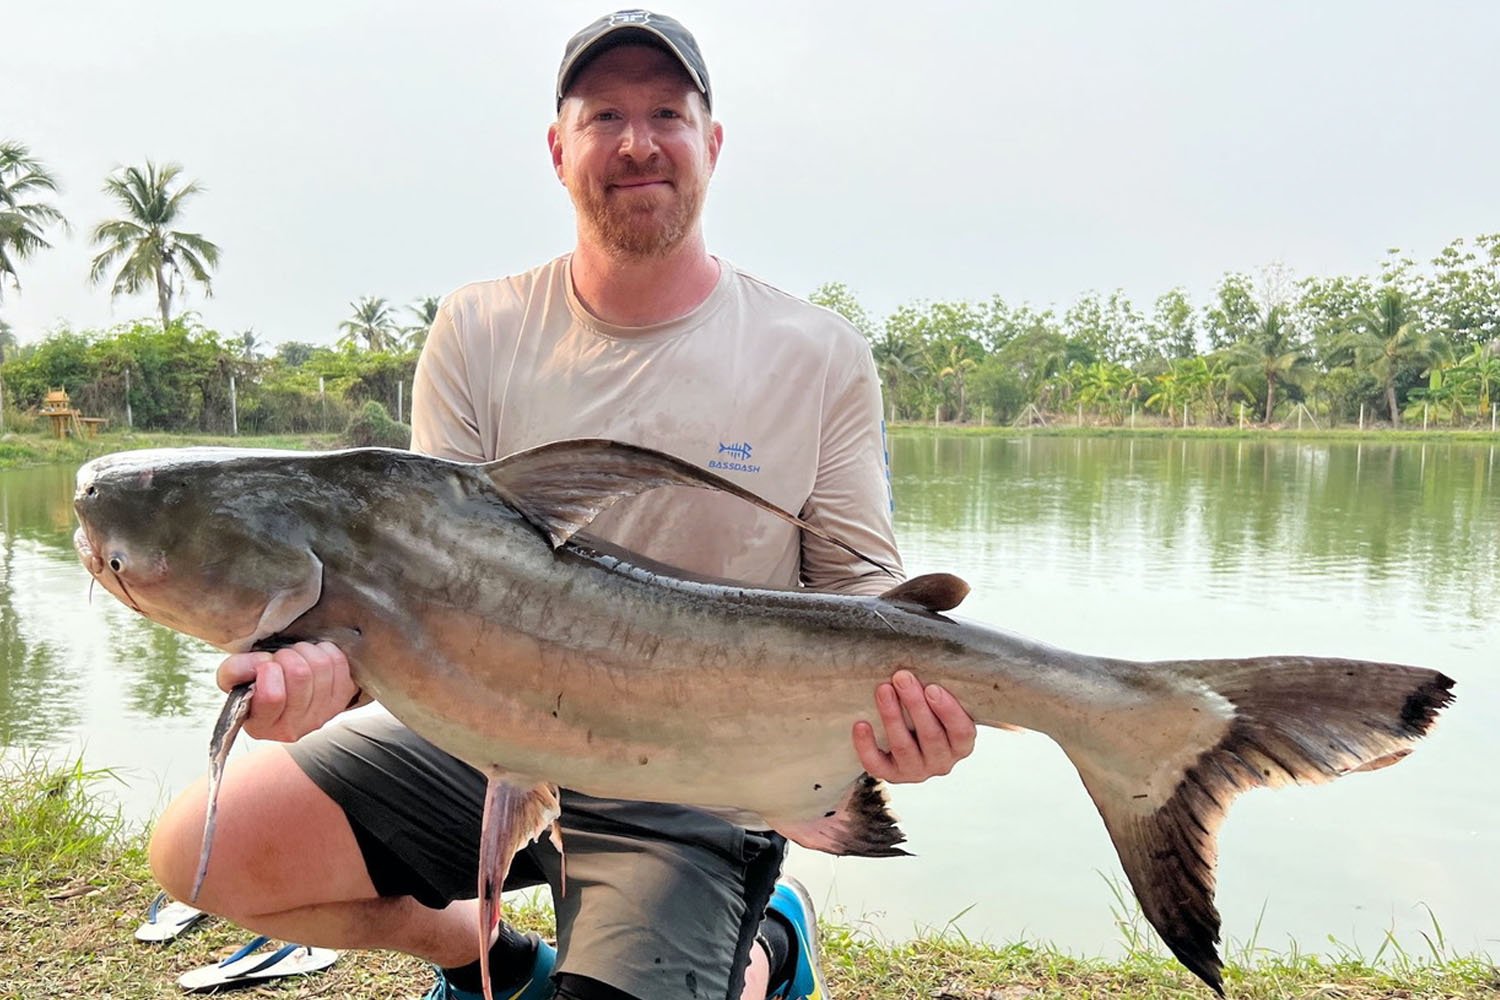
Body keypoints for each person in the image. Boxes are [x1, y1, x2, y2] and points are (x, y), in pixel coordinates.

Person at [148, 11, 977, 1000]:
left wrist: (901, 716)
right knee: (198, 851)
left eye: (666, 112)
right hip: (482, 736)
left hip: (695, 774)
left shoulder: (816, 352)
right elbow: (416, 599)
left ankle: (766, 950)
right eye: (604, 115)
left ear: (712, 143)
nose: (637, 142)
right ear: (558, 148)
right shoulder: (479, 329)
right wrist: (337, 677)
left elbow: (859, 594)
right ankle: (486, 955)